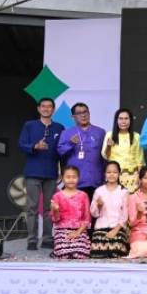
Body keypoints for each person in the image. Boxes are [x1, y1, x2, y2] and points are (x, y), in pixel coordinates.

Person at [18, 97, 65, 250]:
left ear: (53, 109)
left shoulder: (59, 127)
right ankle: (32, 240)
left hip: (51, 172)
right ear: (38, 109)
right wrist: (34, 146)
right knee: (32, 207)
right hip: (33, 171)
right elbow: (21, 144)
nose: (46, 109)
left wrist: (62, 170)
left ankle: (47, 239)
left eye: (49, 106)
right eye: (43, 106)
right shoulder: (29, 125)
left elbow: (61, 151)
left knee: (49, 208)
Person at [57, 102, 106, 201]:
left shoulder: (100, 132)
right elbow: (60, 152)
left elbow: (106, 155)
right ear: (73, 117)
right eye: (79, 113)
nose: (83, 115)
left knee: (95, 210)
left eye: (85, 112)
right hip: (75, 182)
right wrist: (70, 143)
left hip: (96, 181)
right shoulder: (67, 133)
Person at [90, 161, 129, 258]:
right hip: (101, 227)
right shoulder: (99, 191)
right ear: (105, 174)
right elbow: (94, 213)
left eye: (114, 172)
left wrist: (115, 230)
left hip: (118, 227)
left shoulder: (124, 191)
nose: (111, 175)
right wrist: (99, 205)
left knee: (116, 248)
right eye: (109, 172)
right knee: (98, 250)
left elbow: (125, 215)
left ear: (119, 174)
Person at [50, 166, 91, 259]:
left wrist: (78, 232)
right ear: (62, 178)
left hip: (79, 230)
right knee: (63, 253)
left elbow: (87, 219)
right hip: (62, 230)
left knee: (80, 253)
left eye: (74, 177)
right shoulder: (57, 196)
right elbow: (55, 219)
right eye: (68, 177)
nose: (71, 180)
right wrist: (56, 210)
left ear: (78, 178)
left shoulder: (83, 195)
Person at [102, 108, 145, 193]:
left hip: (133, 177)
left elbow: (140, 160)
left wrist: (140, 177)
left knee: (132, 200)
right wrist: (108, 146)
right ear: (116, 120)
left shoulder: (136, 136)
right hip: (115, 176)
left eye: (126, 118)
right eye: (120, 119)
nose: (123, 121)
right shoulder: (110, 135)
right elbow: (106, 156)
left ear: (130, 120)